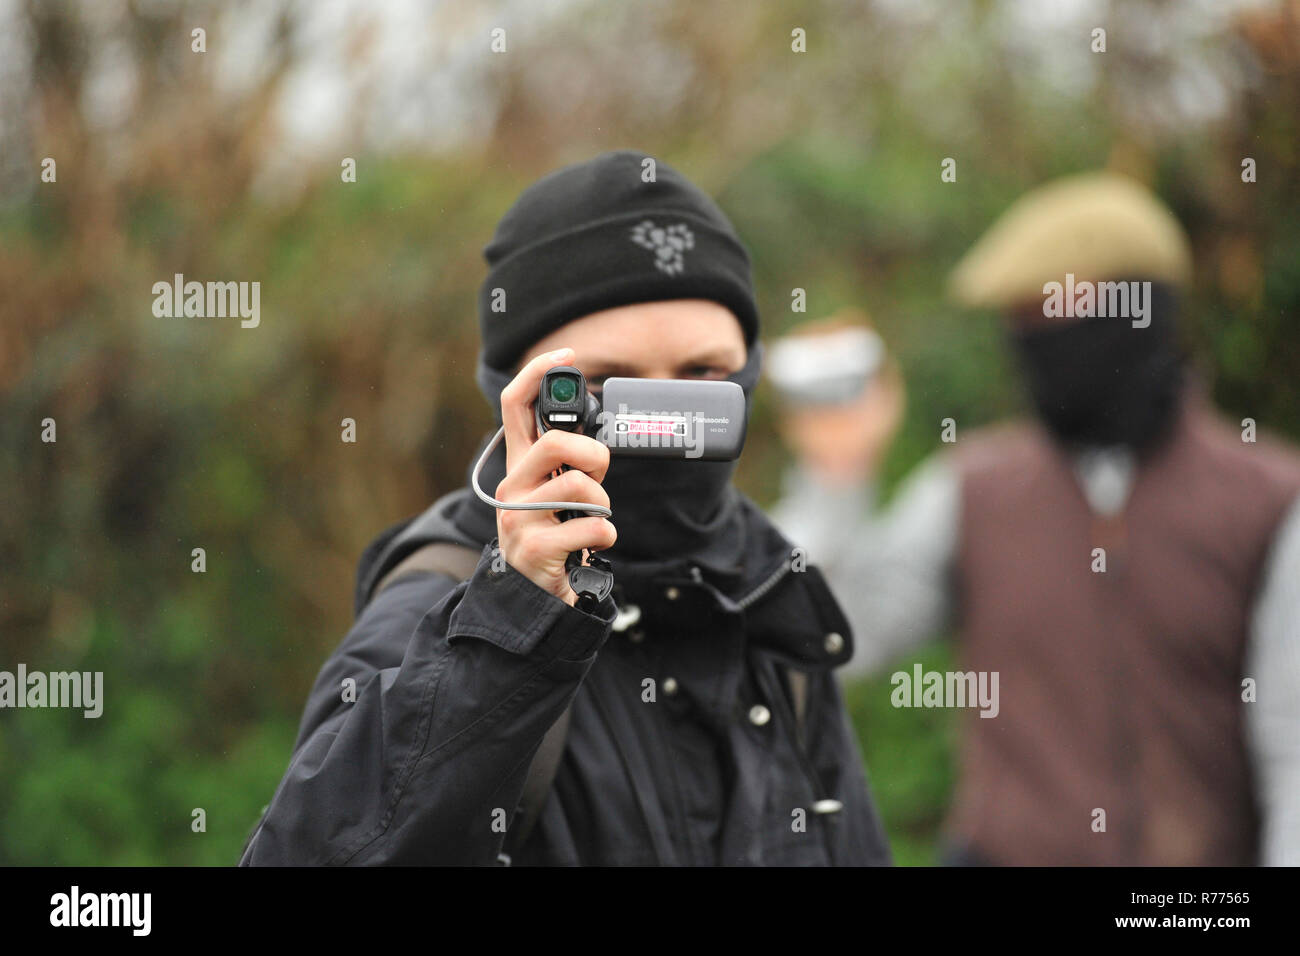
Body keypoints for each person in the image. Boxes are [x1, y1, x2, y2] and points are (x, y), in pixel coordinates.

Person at [240, 149, 892, 866]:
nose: (666, 421)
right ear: (519, 396)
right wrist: (513, 628)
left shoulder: (764, 593)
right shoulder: (439, 611)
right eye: (609, 383)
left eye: (704, 377)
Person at [772, 171, 1300, 866]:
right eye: (1022, 321)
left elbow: (1290, 744)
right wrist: (835, 480)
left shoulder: (1271, 500)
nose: (1040, 342)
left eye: (1062, 314)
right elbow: (835, 638)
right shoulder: (969, 489)